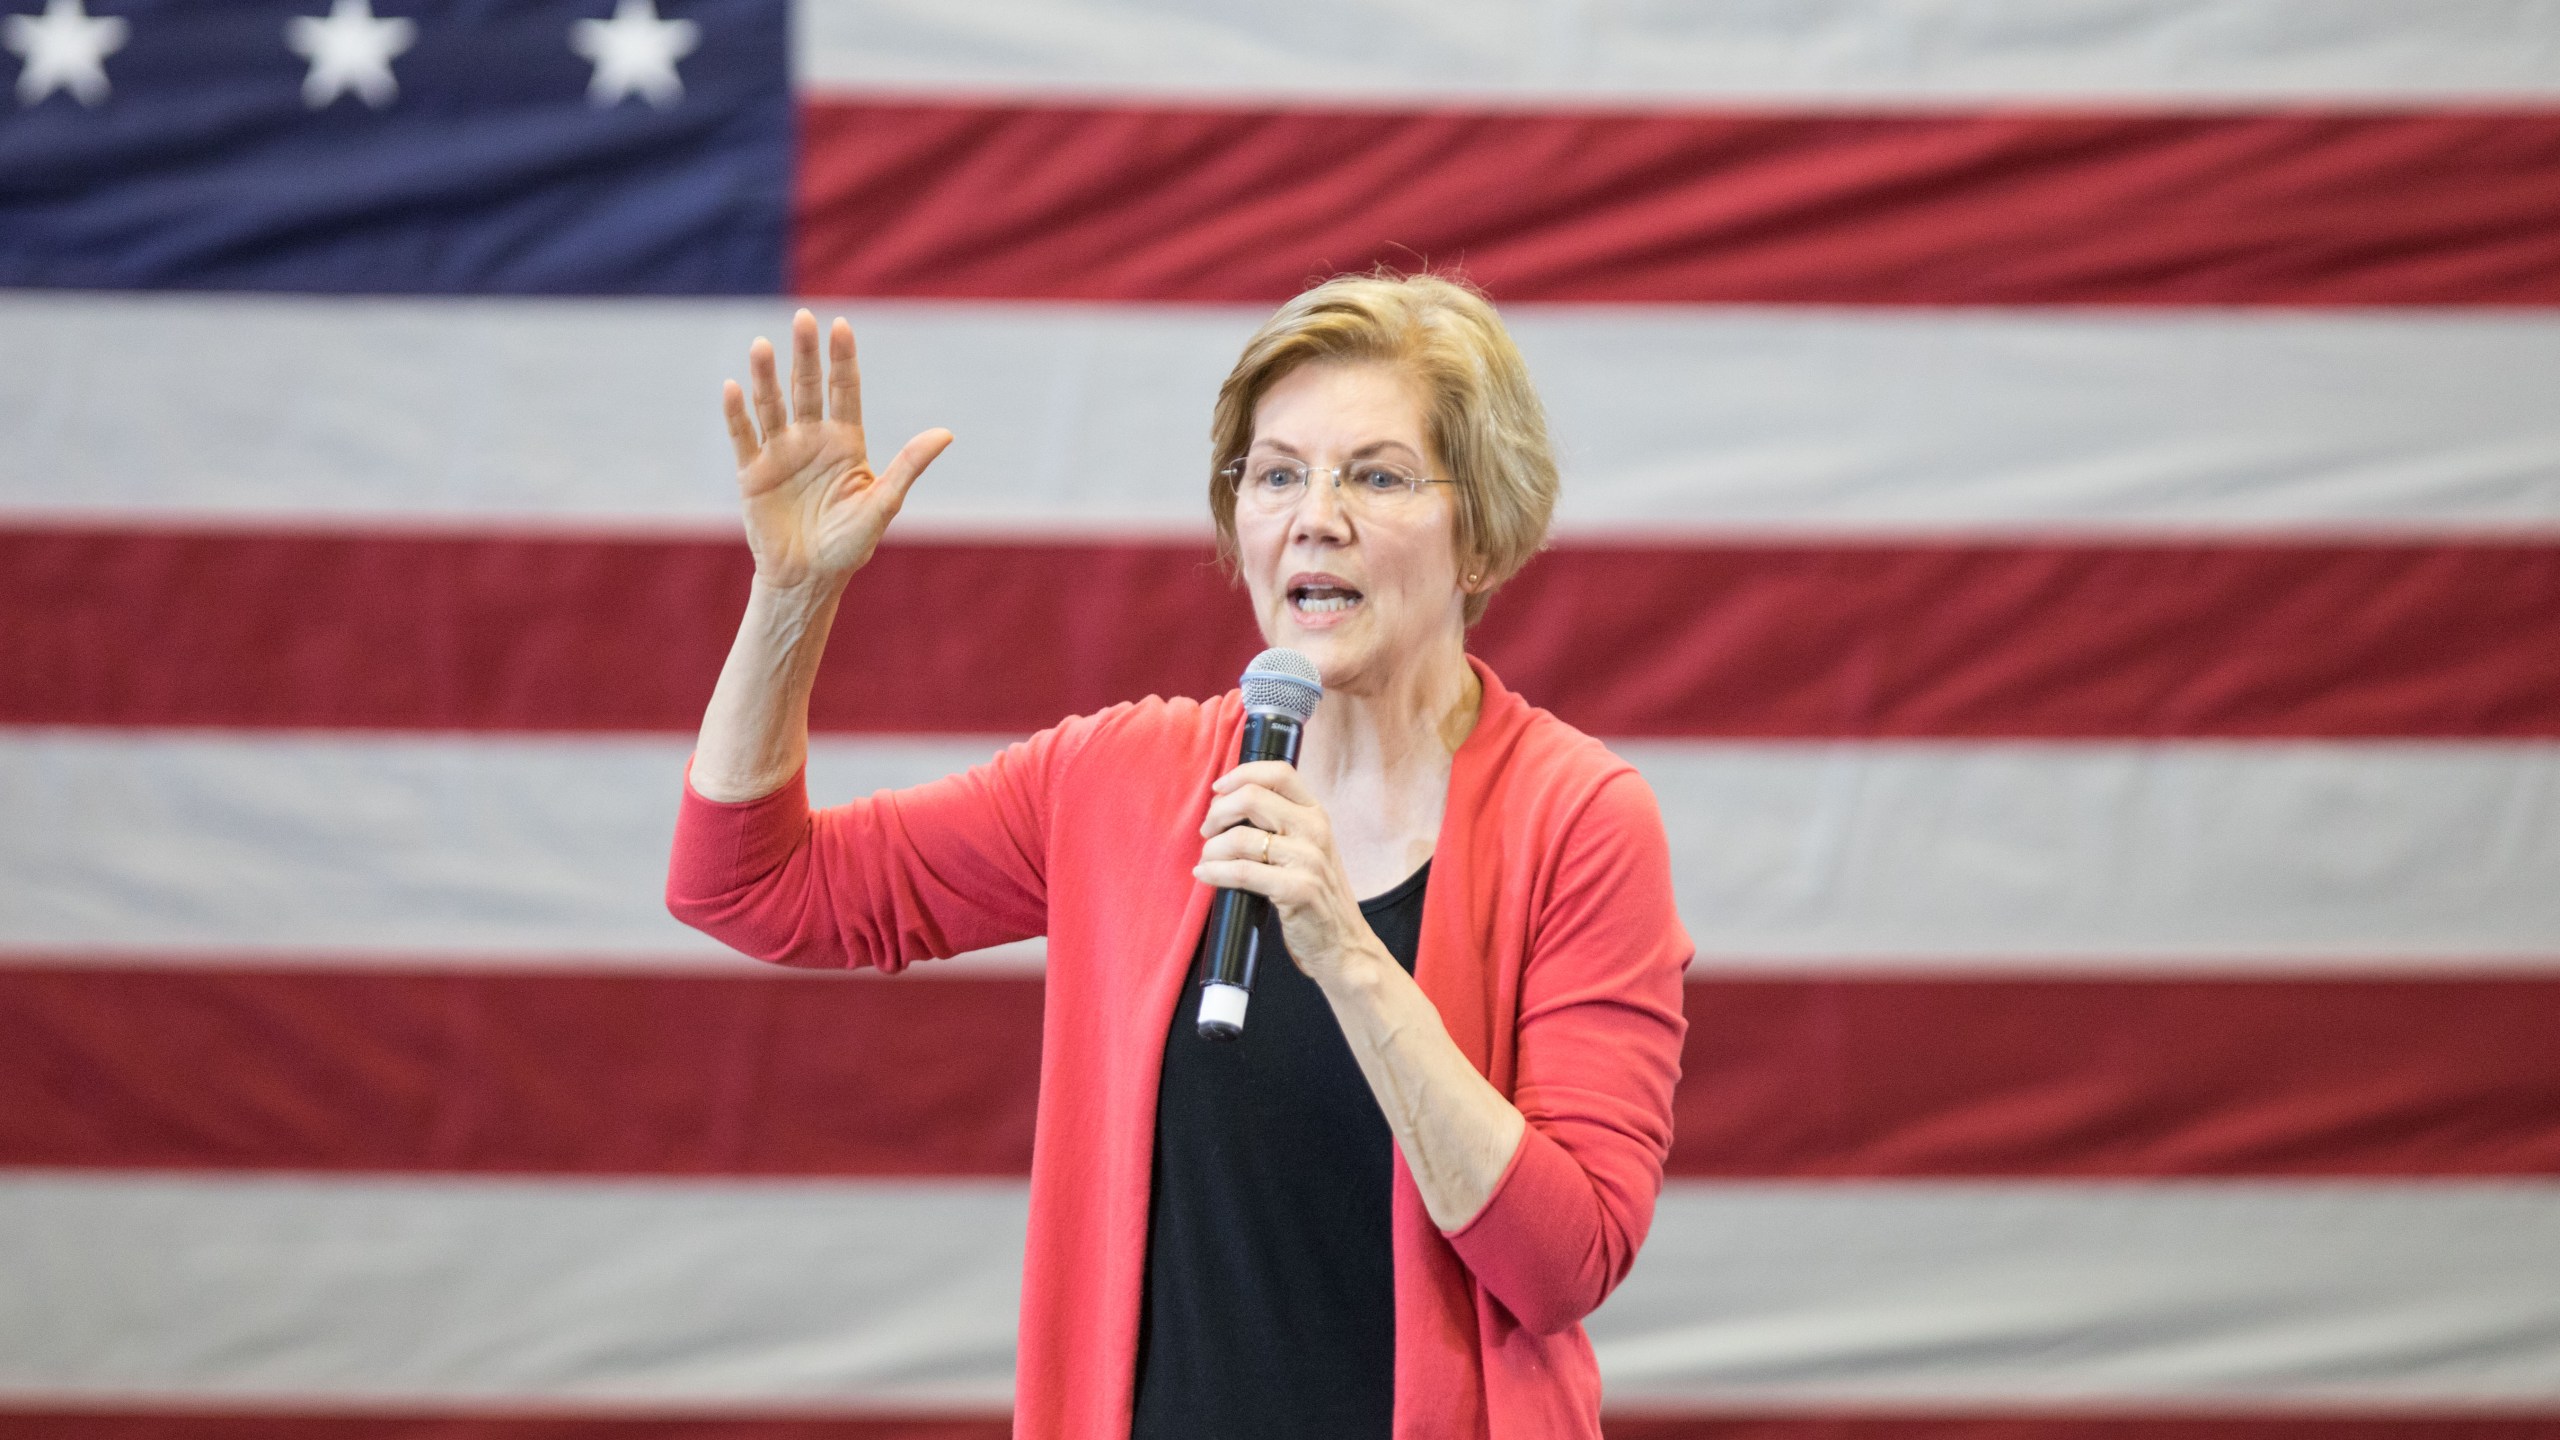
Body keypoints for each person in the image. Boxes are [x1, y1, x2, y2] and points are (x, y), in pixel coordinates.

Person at [667, 273, 1691, 1440]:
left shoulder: (1578, 821)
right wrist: (791, 599)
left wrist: (1348, 958)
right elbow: (749, 887)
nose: (1317, 514)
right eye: (1276, 474)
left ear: (1482, 534)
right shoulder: (1119, 778)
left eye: (1377, 474)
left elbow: (1567, 1263)